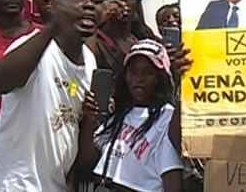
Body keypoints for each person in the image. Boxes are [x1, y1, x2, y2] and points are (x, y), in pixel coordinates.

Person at [0, 0, 101, 192]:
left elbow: (73, 139)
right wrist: (53, 27)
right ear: (55, 4)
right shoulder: (34, 46)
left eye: (96, 0)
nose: (89, 5)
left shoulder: (90, 63)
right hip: (12, 184)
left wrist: (90, 119)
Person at [78, 40, 185, 192]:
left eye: (148, 72)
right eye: (133, 72)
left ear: (159, 78)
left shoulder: (165, 117)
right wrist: (90, 119)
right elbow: (86, 159)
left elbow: (173, 181)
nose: (139, 79)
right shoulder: (121, 113)